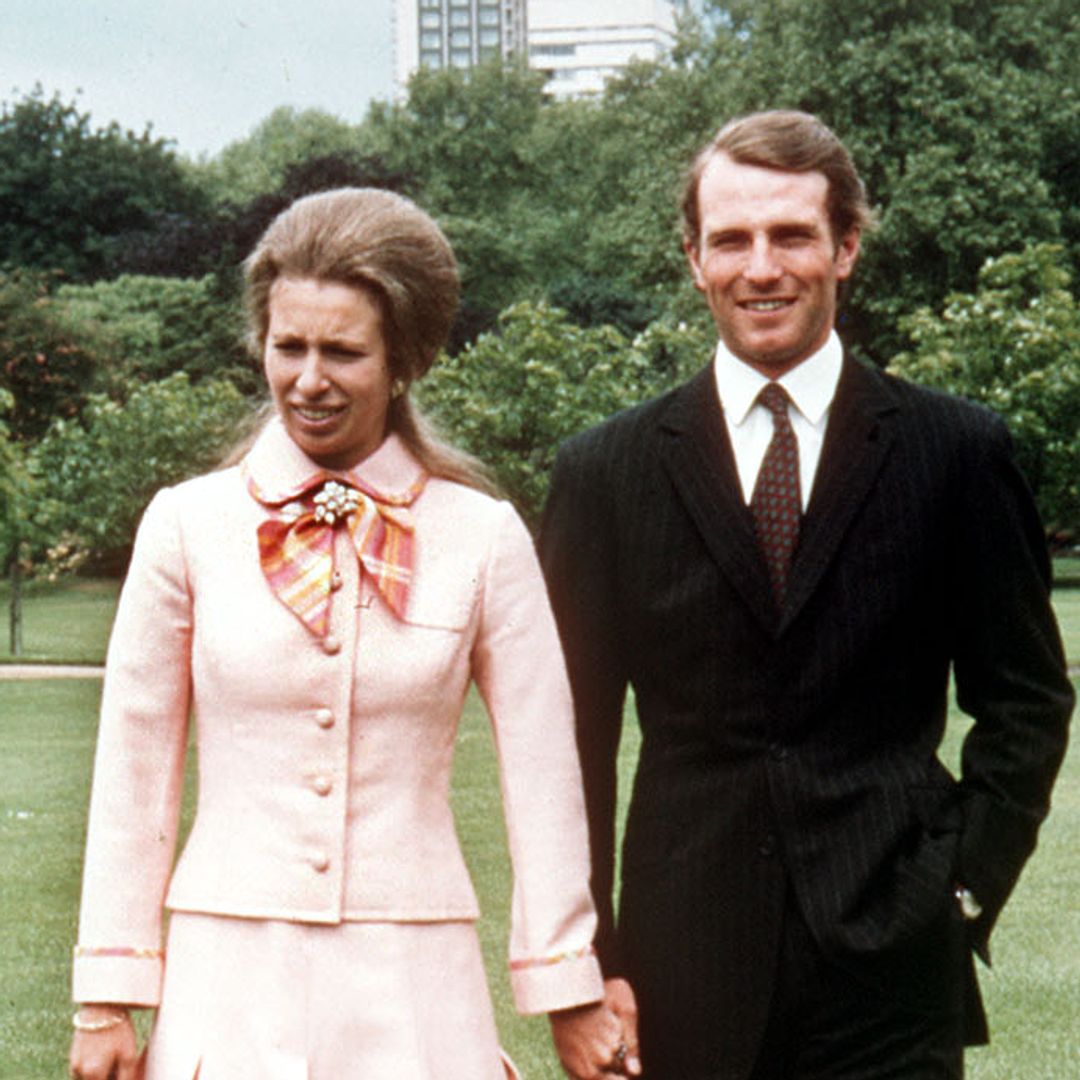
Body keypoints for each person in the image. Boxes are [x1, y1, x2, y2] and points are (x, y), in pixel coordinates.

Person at [539, 111, 1074, 1079]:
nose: (762, 267)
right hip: (677, 969)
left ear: (847, 246)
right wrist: (590, 960)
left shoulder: (955, 453)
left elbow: (1028, 700)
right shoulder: (605, 473)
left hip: (893, 971)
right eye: (732, 240)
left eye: (792, 235)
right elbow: (564, 742)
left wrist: (959, 885)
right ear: (694, 257)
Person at [69, 187, 625, 1080]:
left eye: (343, 351)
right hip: (228, 967)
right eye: (288, 347)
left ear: (403, 360)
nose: (309, 379)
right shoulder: (185, 525)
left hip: (413, 977)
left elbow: (545, 779)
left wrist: (568, 985)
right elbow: (133, 773)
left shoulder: (483, 536)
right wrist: (105, 996)